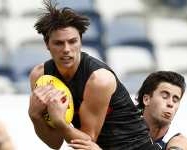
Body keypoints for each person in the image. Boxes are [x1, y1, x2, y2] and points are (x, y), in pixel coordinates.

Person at [28, 0, 158, 149]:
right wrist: (35, 117)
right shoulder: (41, 77)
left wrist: (60, 122)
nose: (66, 49)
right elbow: (55, 143)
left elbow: (88, 143)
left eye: (72, 42)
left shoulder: (99, 79)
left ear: (81, 41)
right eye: (58, 43)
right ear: (47, 44)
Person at [68, 71, 187, 150]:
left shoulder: (181, 143)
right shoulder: (116, 128)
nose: (170, 104)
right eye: (165, 96)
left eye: (175, 99)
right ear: (146, 99)